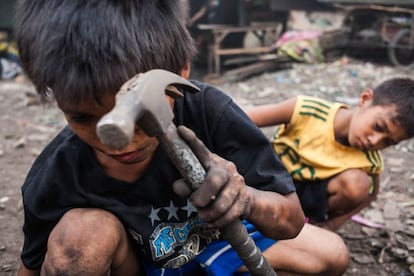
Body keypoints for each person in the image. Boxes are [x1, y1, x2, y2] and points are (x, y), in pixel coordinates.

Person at [14, 1, 349, 275]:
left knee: (332, 254)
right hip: (137, 264)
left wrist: (246, 199)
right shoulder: (56, 174)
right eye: (84, 118)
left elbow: (289, 219)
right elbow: (30, 268)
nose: (122, 142)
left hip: (216, 244)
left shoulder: (210, 112)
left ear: (181, 70)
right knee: (78, 241)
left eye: (141, 115)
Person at [248, 78, 414, 231]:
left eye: (388, 142)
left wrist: (334, 223)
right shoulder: (306, 110)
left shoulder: (370, 161)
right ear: (365, 99)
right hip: (267, 175)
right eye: (378, 126)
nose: (375, 141)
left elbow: (372, 194)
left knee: (358, 184)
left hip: (302, 199)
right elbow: (243, 119)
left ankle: (309, 224)